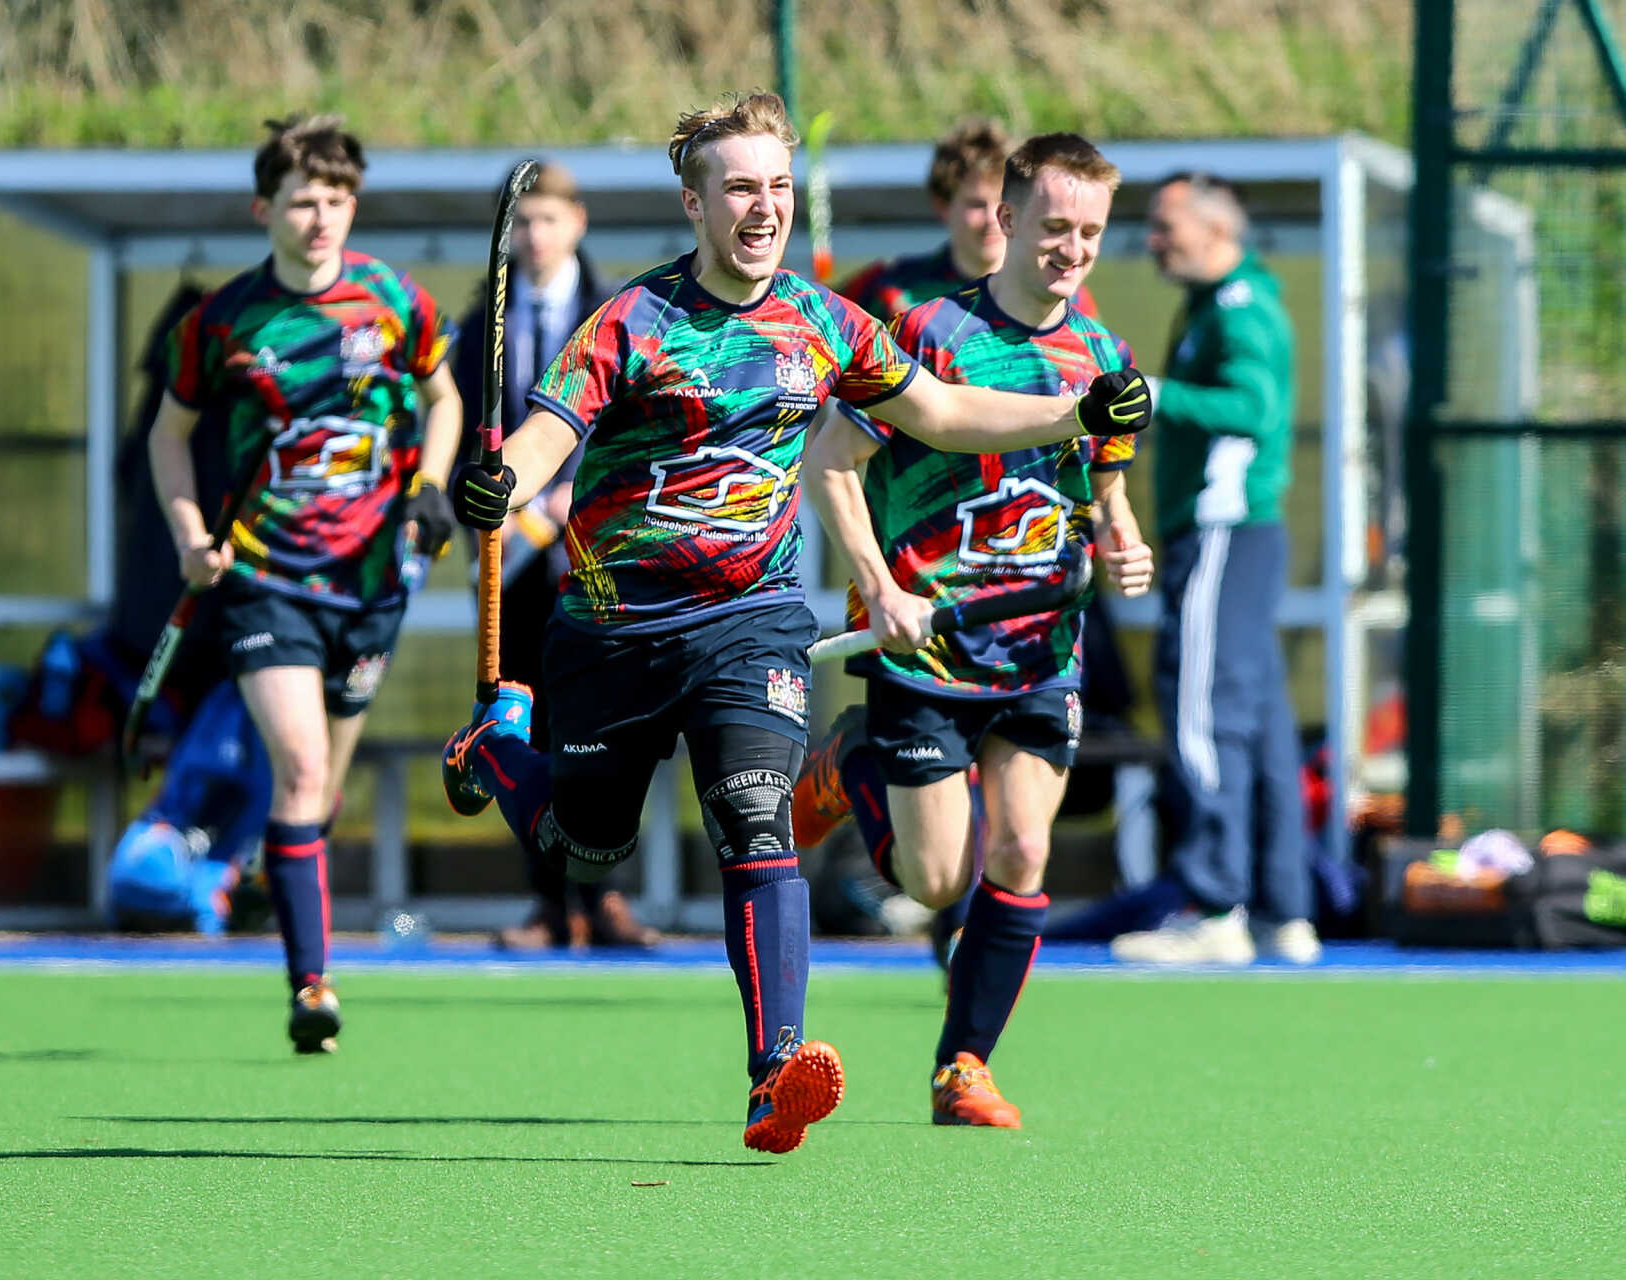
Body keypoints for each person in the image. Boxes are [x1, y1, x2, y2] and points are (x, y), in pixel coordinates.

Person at [439, 91, 1149, 1153]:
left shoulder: (825, 322)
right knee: (586, 842)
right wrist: (504, 481)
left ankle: (776, 1072)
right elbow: (550, 431)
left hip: (753, 619)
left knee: (757, 821)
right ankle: (498, 745)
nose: (763, 207)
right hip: (615, 627)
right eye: (740, 188)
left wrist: (1074, 413)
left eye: (777, 185)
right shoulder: (632, 320)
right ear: (695, 203)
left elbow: (942, 411)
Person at [792, 133, 1154, 1128]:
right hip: (928, 648)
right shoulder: (931, 334)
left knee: (1025, 850)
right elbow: (829, 462)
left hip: (1042, 648)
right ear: (1007, 218)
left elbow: (1104, 482)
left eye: (1090, 232)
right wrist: (878, 588)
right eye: (1054, 227)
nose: (1071, 249)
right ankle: (850, 760)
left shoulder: (1103, 354)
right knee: (935, 877)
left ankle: (964, 1067)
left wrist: (1121, 539)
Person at [148, 115, 462, 1051]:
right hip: (266, 579)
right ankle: (312, 986)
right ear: (264, 210)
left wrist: (431, 485)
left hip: (373, 586)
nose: (320, 218)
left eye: (336, 199)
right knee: (304, 767)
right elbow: (168, 433)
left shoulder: (395, 301)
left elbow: (444, 396)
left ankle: (270, 873)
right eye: (300, 202)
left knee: (320, 795)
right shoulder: (223, 321)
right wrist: (190, 536)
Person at [1110, 172, 1321, 967]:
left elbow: (1253, 409)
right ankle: (1281, 910)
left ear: (1216, 230)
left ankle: (1214, 902)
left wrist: (1153, 394)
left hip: (1223, 532)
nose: (1154, 242)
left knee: (1200, 706)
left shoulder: (1239, 308)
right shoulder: (1217, 305)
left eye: (1166, 227)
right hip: (1237, 535)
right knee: (1258, 719)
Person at [448, 161, 655, 952]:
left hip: (599, 552)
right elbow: (466, 437)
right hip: (512, 563)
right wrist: (477, 507)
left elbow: (639, 427)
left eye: (548, 220)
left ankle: (606, 895)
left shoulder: (620, 313)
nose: (535, 237)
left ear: (578, 223)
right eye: (523, 223)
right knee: (519, 719)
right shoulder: (481, 327)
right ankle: (547, 903)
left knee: (602, 721)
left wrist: (579, 497)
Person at [840, 118, 1099, 324]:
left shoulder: (1063, 295)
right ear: (943, 206)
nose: (993, 219)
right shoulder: (888, 289)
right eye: (976, 204)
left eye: (1004, 203)